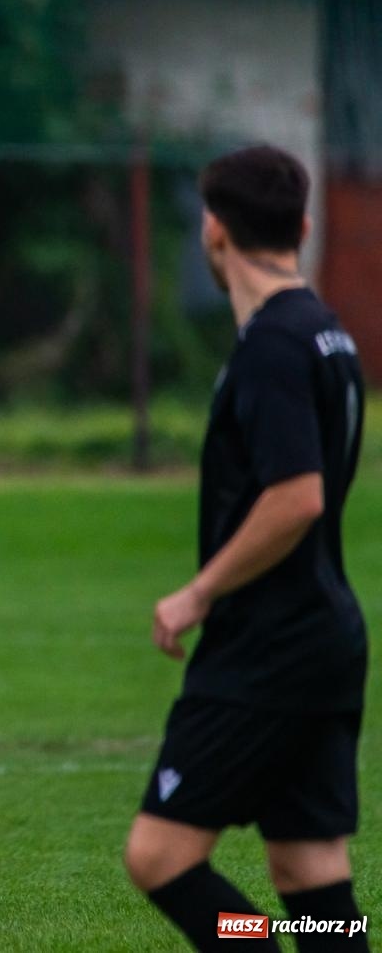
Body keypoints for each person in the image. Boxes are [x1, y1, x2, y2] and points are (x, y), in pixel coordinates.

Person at [123, 145, 369, 950]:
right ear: (301, 226)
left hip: (266, 646)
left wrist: (198, 592)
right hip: (325, 636)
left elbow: (297, 497)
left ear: (214, 231)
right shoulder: (328, 333)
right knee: (311, 874)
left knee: (160, 856)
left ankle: (247, 944)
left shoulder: (270, 346)